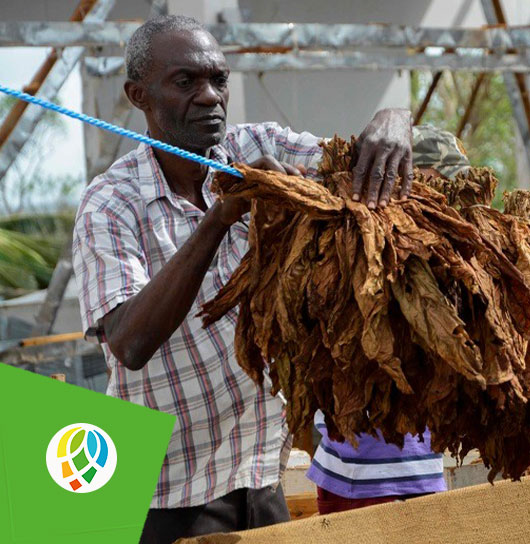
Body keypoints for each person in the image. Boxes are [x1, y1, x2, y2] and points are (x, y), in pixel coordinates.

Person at [72, 15, 414, 544]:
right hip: (167, 491)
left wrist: (396, 118)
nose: (210, 97)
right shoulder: (110, 204)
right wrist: (220, 217)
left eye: (219, 80)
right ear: (138, 95)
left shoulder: (256, 144)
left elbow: (360, 160)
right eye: (185, 82)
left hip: (257, 471)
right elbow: (129, 341)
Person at [305, 124, 469, 515]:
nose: (444, 195)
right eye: (434, 180)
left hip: (414, 469)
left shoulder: (449, 256)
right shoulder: (351, 242)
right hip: (347, 472)